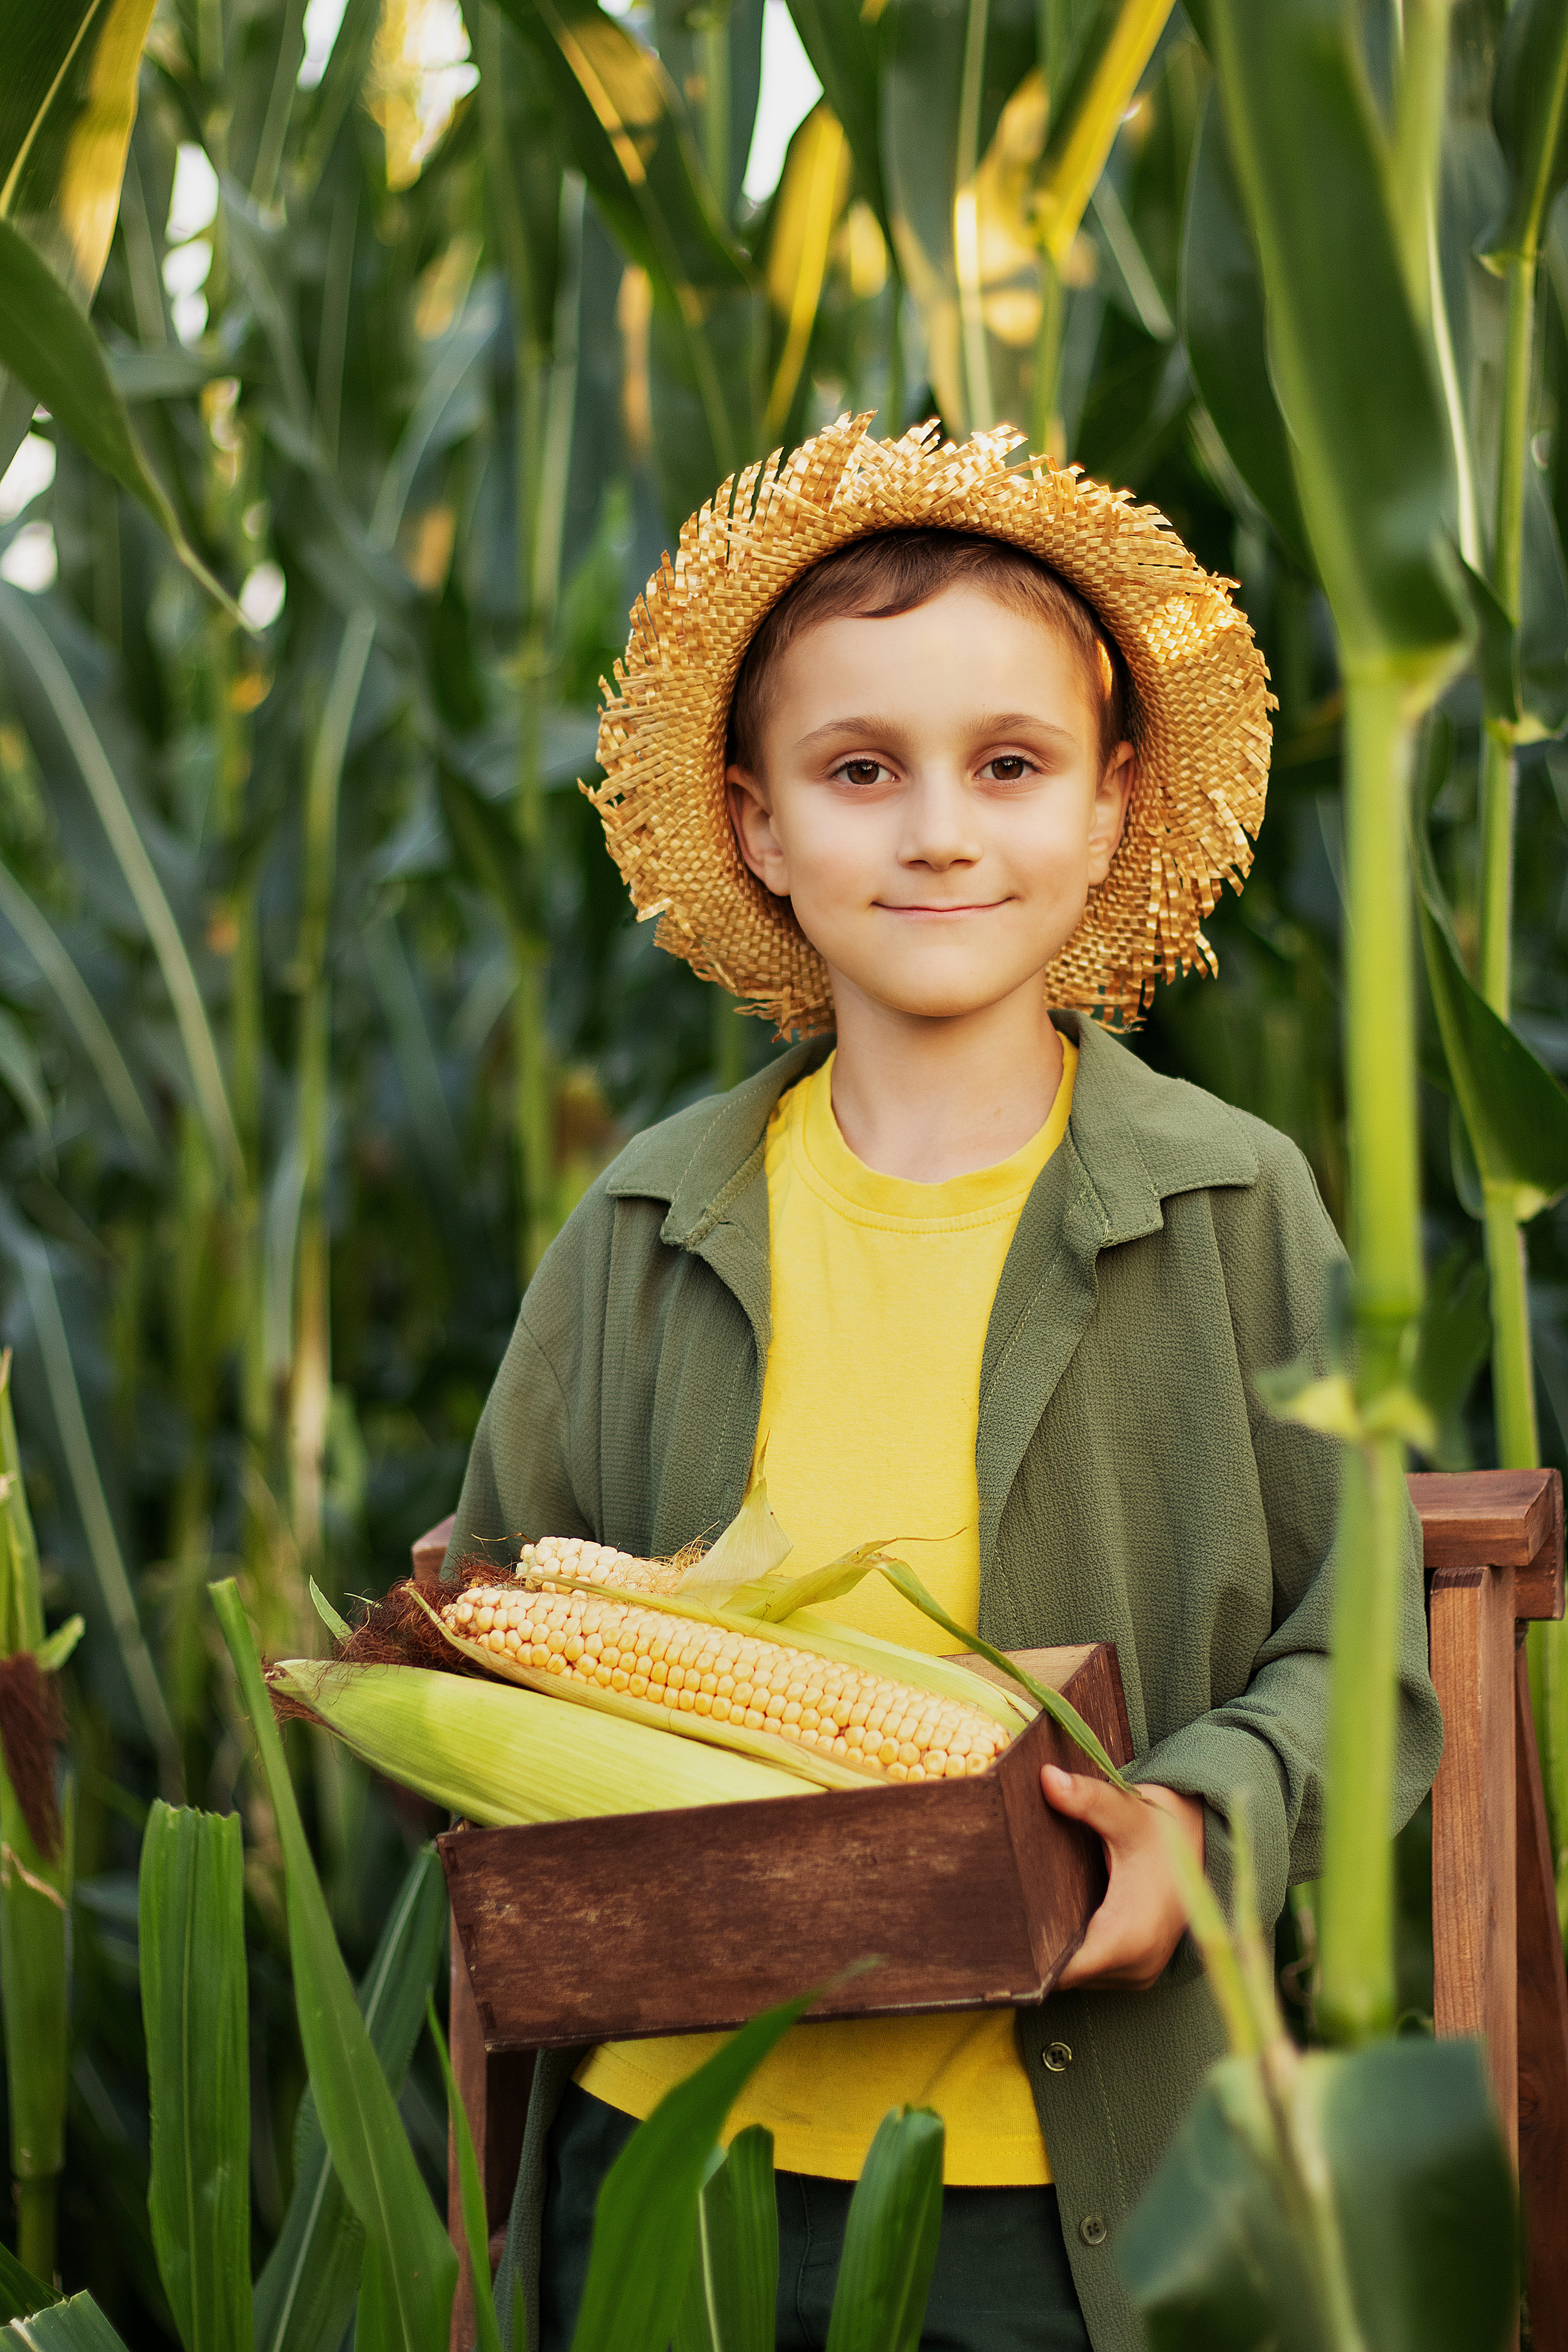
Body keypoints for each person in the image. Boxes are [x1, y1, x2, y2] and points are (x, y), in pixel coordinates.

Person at [446, 417, 1442, 2352]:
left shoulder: (1233, 1205)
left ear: (1105, 805)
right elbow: (497, 1604)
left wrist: (1202, 1821)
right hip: (686, 2158)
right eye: (858, 772)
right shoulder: (647, 1225)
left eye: (1008, 766)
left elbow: (1370, 1622)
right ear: (756, 826)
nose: (936, 831)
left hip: (1077, 2194)